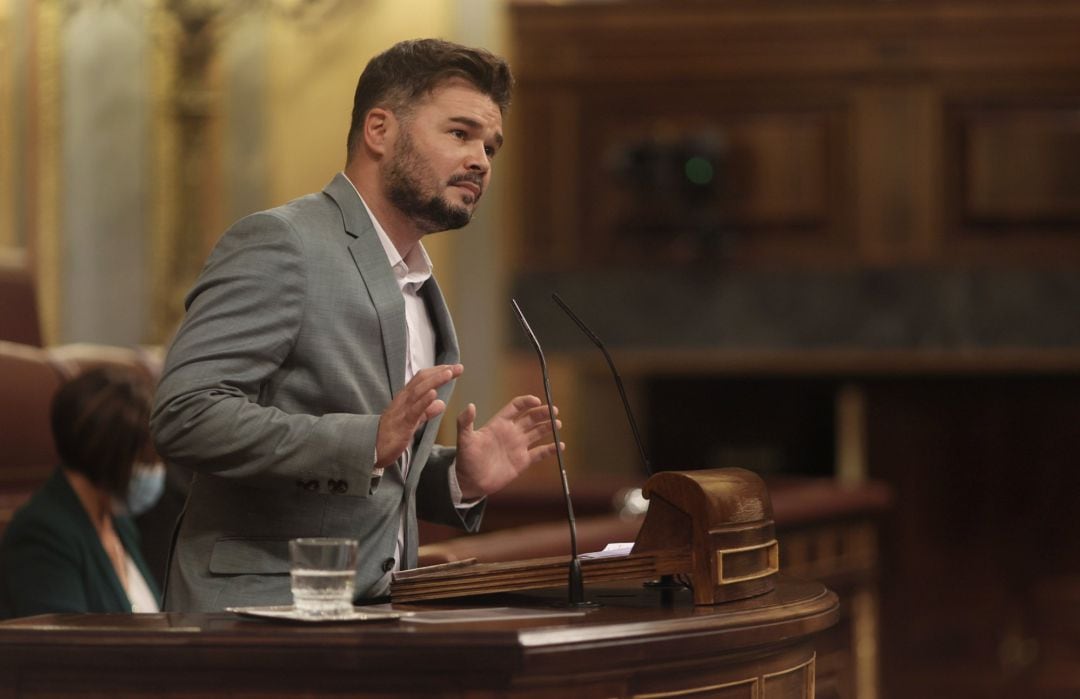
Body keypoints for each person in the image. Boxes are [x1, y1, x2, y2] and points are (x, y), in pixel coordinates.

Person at [151, 38, 561, 612]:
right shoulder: (282, 242)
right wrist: (365, 441)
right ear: (378, 130)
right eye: (459, 133)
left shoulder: (416, 279)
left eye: (490, 145)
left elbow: (372, 465)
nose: (481, 161)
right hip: (257, 619)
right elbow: (184, 414)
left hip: (374, 617)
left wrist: (456, 478)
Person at [0, 366, 162, 619]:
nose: (156, 471)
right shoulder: (41, 534)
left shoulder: (119, 522)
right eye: (146, 460)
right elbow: (63, 649)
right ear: (113, 457)